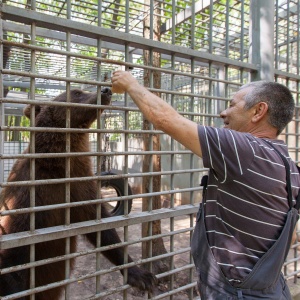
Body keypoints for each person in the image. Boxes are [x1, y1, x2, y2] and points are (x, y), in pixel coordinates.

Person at [111, 71, 300, 299]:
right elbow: (290, 235)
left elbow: (166, 120)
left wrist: (130, 84)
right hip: (270, 289)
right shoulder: (288, 165)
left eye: (232, 105)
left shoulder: (246, 149)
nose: (223, 112)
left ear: (258, 111)